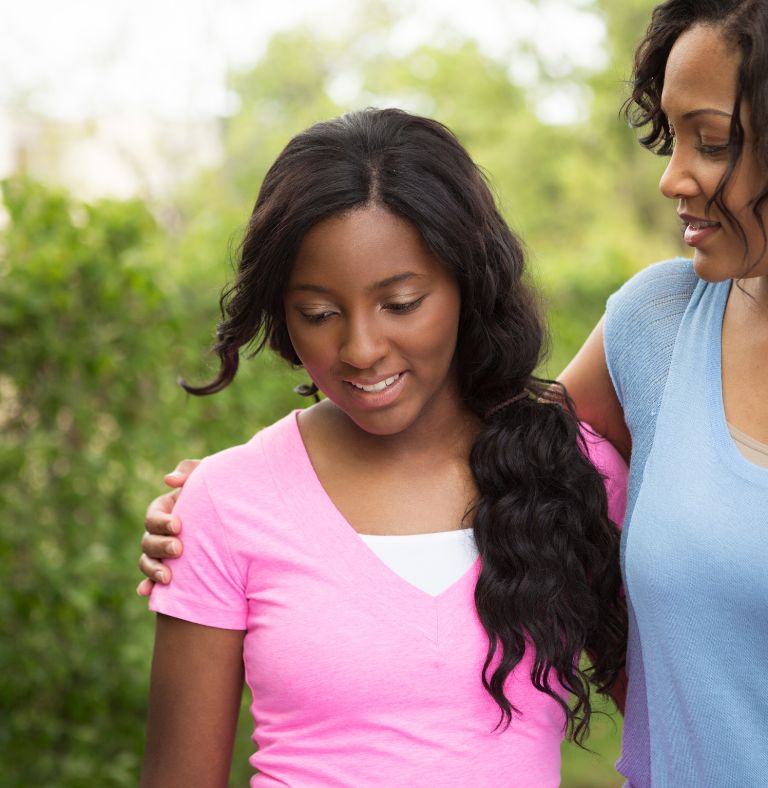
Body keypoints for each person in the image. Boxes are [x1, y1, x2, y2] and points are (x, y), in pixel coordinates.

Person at [142, 0, 768, 784]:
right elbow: (508, 445)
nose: (671, 178)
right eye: (673, 135)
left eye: (715, 141)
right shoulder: (657, 325)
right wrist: (224, 501)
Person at [139, 108, 628, 787]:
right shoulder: (225, 502)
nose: (361, 350)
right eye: (318, 313)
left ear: (467, 283)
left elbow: (682, 722)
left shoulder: (571, 473)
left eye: (400, 303)